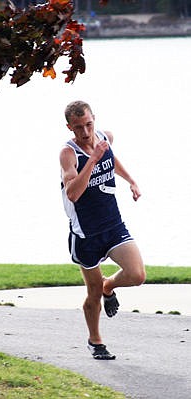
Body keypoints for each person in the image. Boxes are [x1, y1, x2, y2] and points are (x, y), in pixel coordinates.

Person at [59, 100, 146, 360]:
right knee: (92, 293)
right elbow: (73, 193)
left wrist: (131, 181)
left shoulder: (104, 137)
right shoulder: (68, 153)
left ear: (94, 119)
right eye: (78, 128)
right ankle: (95, 341)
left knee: (137, 275)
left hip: (113, 224)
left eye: (88, 124)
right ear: (69, 127)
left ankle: (110, 285)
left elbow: (111, 159)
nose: (85, 132)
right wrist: (92, 159)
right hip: (86, 234)